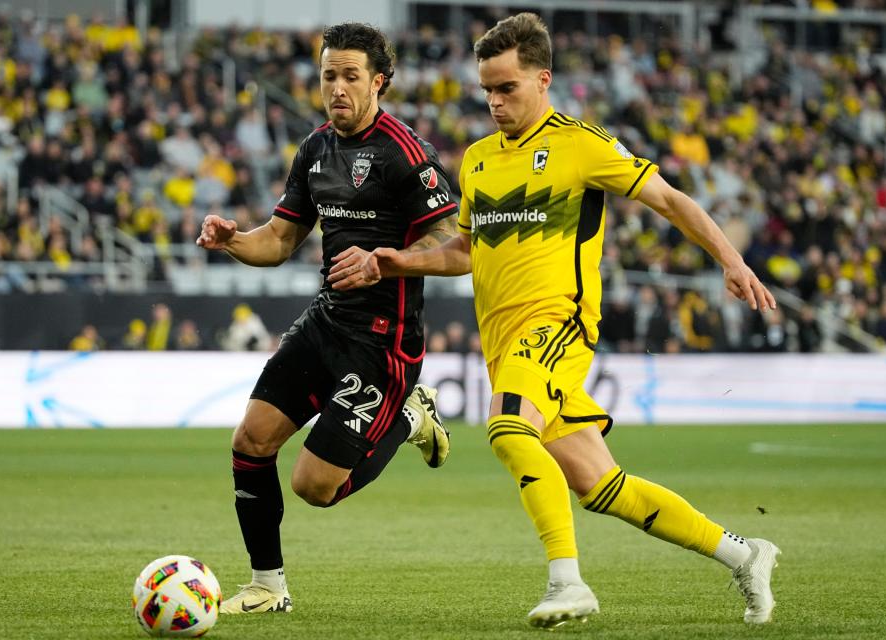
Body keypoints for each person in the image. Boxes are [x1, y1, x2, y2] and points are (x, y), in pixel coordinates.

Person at [329, 13, 780, 629]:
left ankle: (567, 582)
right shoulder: (480, 159)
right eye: (487, 89)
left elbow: (671, 199)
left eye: (507, 87)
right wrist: (397, 262)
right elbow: (465, 252)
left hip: (558, 323)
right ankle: (745, 554)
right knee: (601, 486)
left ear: (543, 80)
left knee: (509, 427)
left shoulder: (581, 145)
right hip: (503, 339)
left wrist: (731, 261)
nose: (494, 101)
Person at [196, 22, 457, 616]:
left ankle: (412, 416)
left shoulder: (408, 156)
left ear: (379, 83)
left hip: (382, 343)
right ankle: (267, 586)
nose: (336, 88)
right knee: (251, 439)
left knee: (315, 487)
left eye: (350, 76)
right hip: (325, 322)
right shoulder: (315, 150)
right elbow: (281, 239)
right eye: (327, 76)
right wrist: (234, 240)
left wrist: (387, 263)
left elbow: (459, 250)